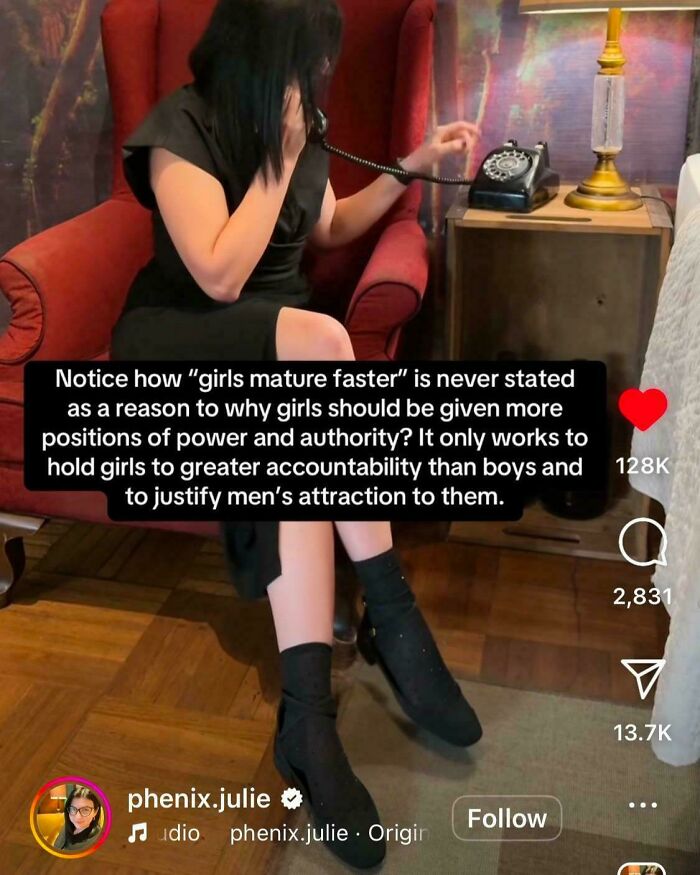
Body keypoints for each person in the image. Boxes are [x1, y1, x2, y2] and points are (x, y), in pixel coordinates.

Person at [110, 0, 482, 867]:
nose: (317, 78)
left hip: (281, 350)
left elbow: (331, 226)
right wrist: (278, 158)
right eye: (306, 61)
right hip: (181, 333)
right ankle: (394, 617)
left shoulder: (301, 125)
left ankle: (307, 723)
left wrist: (409, 166)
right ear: (261, 51)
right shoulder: (181, 128)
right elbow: (219, 274)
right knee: (321, 341)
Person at [53, 785, 102, 853]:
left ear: (95, 812)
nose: (78, 816)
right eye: (73, 809)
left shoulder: (97, 840)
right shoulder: (67, 826)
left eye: (85, 810)